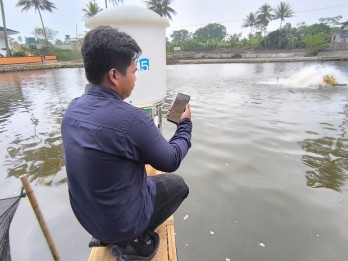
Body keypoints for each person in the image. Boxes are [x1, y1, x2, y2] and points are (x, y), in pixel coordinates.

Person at [61, 26, 192, 261]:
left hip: (88, 221)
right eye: (133, 71)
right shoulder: (133, 120)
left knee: (140, 177)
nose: (135, 77)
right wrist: (185, 124)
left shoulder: (72, 110)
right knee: (178, 185)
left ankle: (111, 236)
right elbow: (171, 159)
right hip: (121, 225)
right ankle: (135, 243)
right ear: (114, 75)